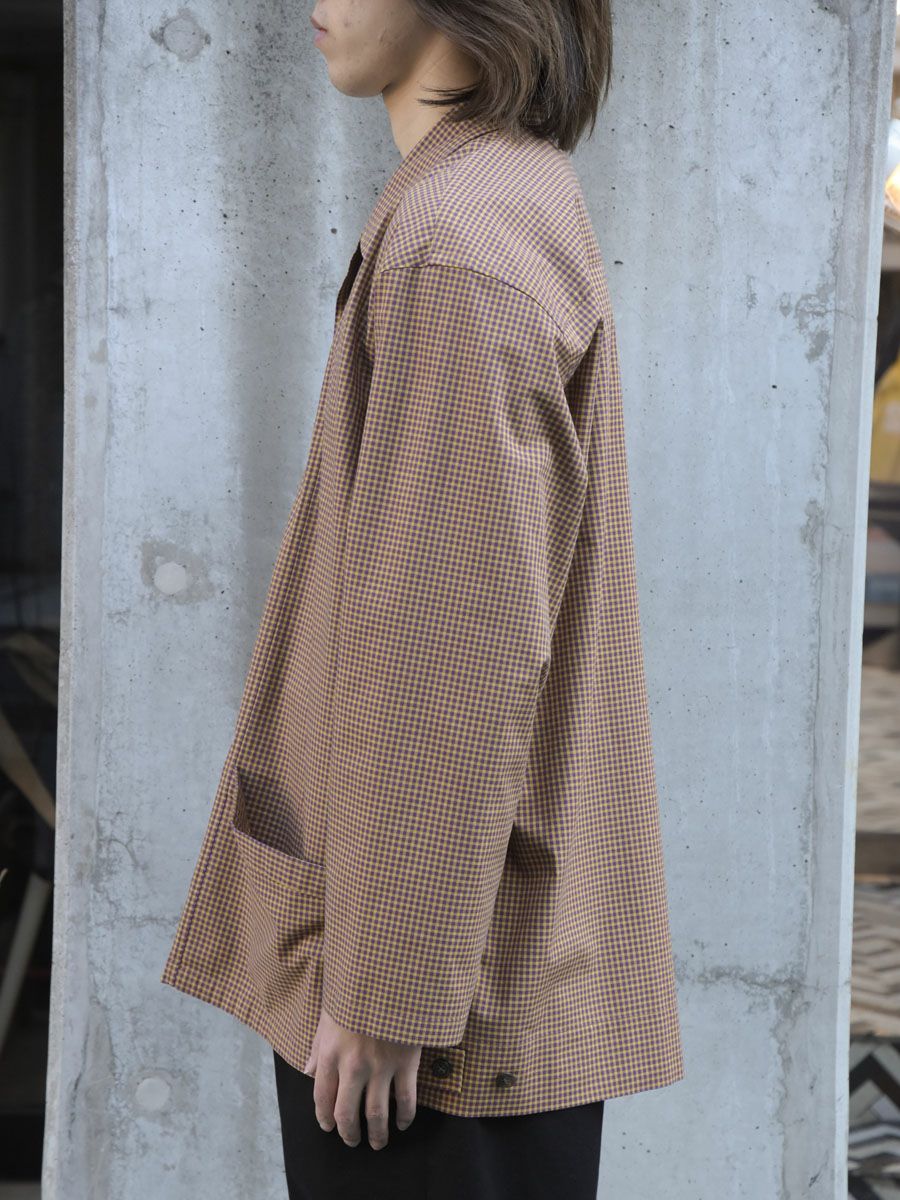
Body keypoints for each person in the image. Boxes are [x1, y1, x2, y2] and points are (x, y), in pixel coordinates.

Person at [161, 1, 685, 1195]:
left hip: (435, 1023)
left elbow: (457, 647)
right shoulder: (497, 198)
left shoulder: (460, 246)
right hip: (464, 968)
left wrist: (388, 989)